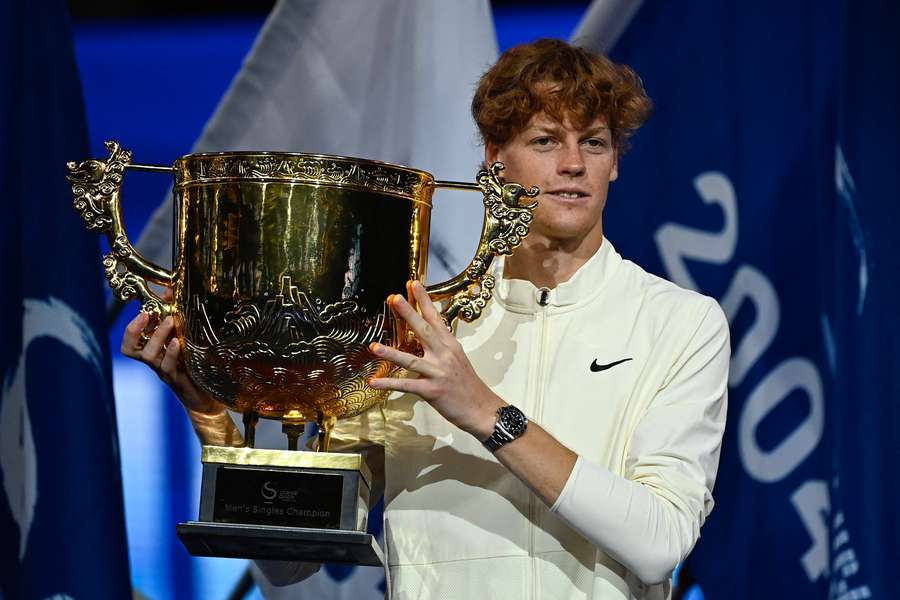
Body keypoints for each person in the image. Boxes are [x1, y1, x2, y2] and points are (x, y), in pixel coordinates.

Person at [123, 39, 729, 599]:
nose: (573, 164)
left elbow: (658, 544)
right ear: (495, 158)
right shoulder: (411, 325)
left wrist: (484, 411)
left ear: (615, 162)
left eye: (593, 142)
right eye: (545, 141)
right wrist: (214, 421)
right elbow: (291, 560)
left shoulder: (680, 324)